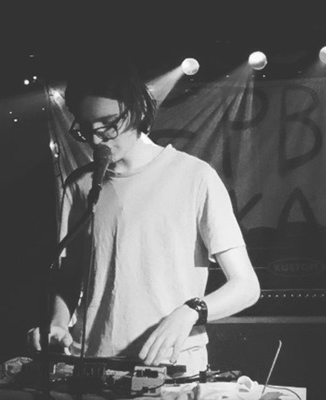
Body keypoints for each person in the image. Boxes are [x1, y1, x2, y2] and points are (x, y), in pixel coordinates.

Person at [28, 54, 261, 376]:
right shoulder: (80, 185)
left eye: (108, 125)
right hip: (92, 364)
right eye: (86, 128)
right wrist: (57, 323)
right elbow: (69, 277)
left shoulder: (195, 177)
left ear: (137, 111)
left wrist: (191, 310)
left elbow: (246, 286)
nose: (96, 139)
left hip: (171, 367)